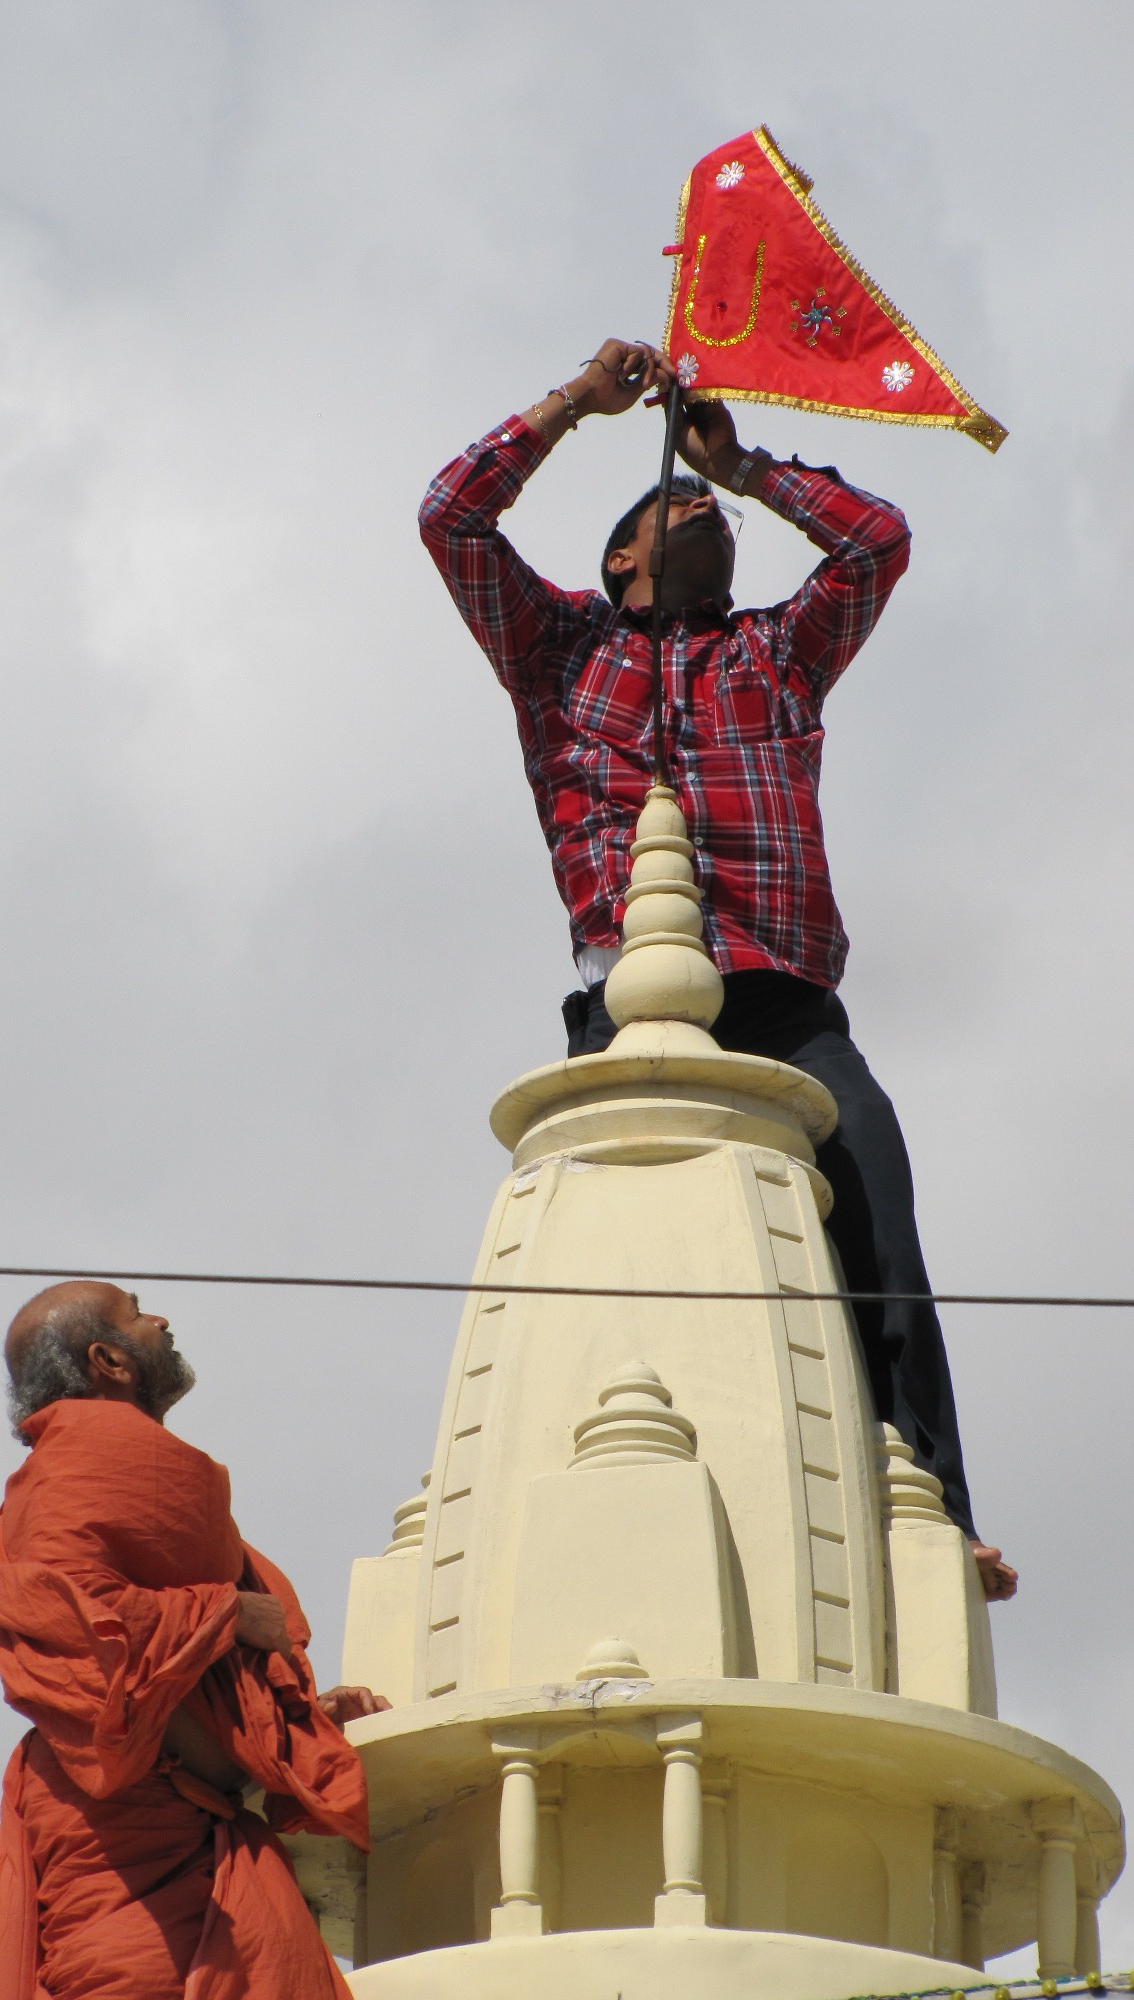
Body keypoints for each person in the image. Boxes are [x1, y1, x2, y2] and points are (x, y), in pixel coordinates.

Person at [419, 336, 1016, 1603]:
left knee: (877, 1229)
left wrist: (742, 466)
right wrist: (579, 404)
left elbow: (876, 541)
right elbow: (453, 515)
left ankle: (936, 1517)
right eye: (675, 506)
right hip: (629, 1020)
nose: (702, 516)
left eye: (714, 513)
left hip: (790, 1012)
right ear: (619, 558)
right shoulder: (557, 655)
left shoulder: (774, 655)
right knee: (613, 1267)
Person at [0, 1281, 388, 2000]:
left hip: (161, 1831)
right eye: (138, 1314)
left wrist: (290, 1717)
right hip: (119, 1842)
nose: (162, 1320)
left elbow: (165, 1676)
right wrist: (226, 1614)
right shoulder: (92, 1452)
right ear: (109, 1360)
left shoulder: (80, 1463)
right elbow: (83, 1631)